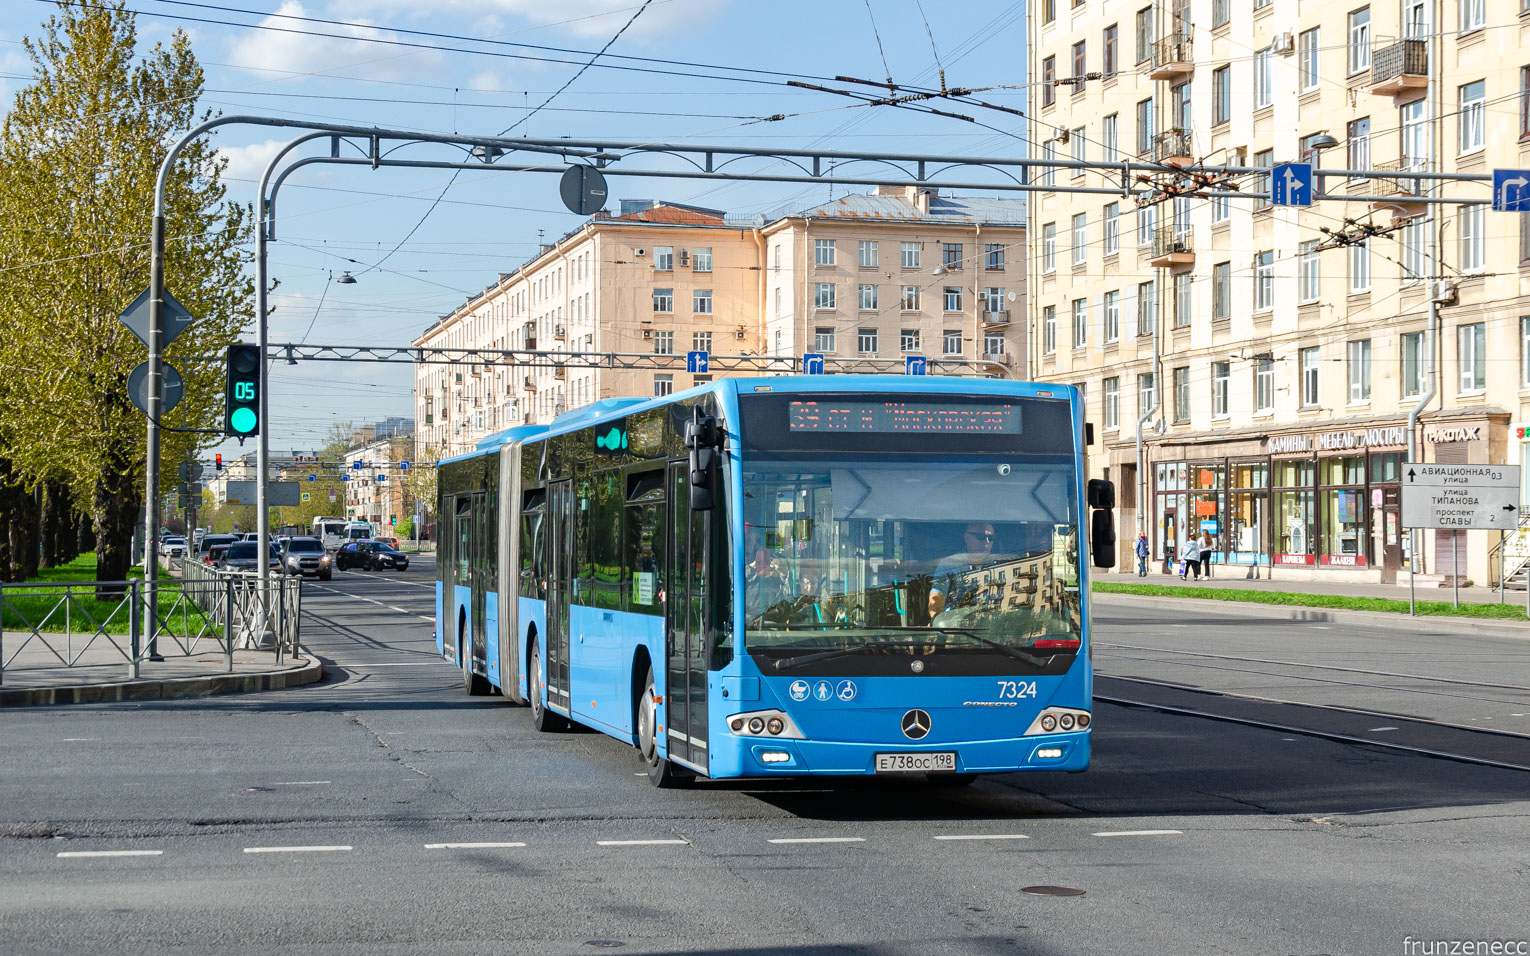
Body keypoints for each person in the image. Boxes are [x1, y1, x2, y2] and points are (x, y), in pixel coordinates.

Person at [929, 522, 1000, 619]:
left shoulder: (1001, 563)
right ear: (967, 537)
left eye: (991, 538)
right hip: (957, 626)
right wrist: (937, 622)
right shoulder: (948, 564)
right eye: (981, 537)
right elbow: (936, 599)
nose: (986, 541)